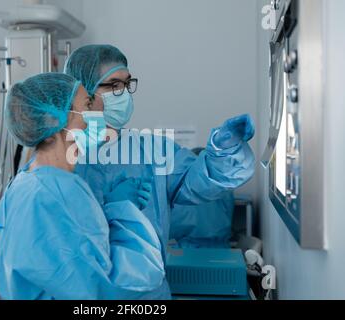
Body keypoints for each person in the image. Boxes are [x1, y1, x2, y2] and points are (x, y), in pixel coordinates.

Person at [64, 44, 256, 299]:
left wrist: (223, 150)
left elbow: (200, 181)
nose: (124, 94)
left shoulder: (152, 151)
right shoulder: (62, 156)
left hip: (148, 296)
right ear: (83, 90)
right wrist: (110, 209)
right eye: (113, 86)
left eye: (127, 84)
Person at [0, 73, 165, 300]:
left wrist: (108, 212)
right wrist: (124, 213)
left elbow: (69, 253)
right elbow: (105, 288)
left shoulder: (26, 183)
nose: (98, 113)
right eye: (88, 104)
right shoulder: (56, 193)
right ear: (54, 119)